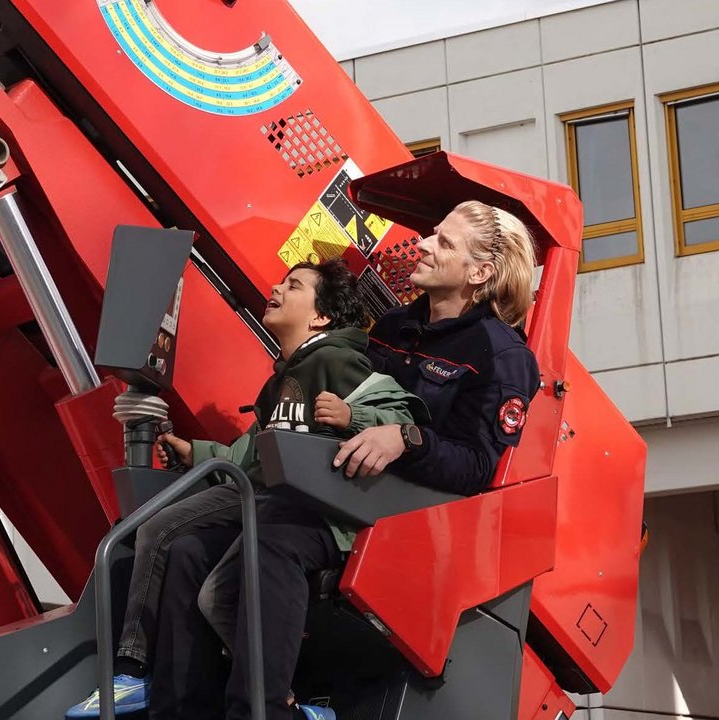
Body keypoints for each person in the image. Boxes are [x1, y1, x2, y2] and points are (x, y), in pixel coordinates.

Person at [191, 200, 542, 720]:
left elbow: (476, 466)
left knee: (272, 540)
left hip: (408, 523)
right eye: (433, 233)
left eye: (444, 242)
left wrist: (406, 439)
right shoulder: (395, 326)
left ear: (479, 273)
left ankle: (265, 710)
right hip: (342, 494)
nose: (424, 245)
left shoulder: (504, 356)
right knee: (196, 551)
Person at [66, 258, 422, 719]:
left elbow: (398, 414)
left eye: (294, 286)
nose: (276, 288)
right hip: (265, 496)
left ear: (320, 316)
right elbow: (250, 456)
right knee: (197, 568)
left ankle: (133, 669)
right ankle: (203, 702)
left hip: (299, 508)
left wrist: (355, 417)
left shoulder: (339, 362)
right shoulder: (281, 382)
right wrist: (196, 453)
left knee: (158, 528)